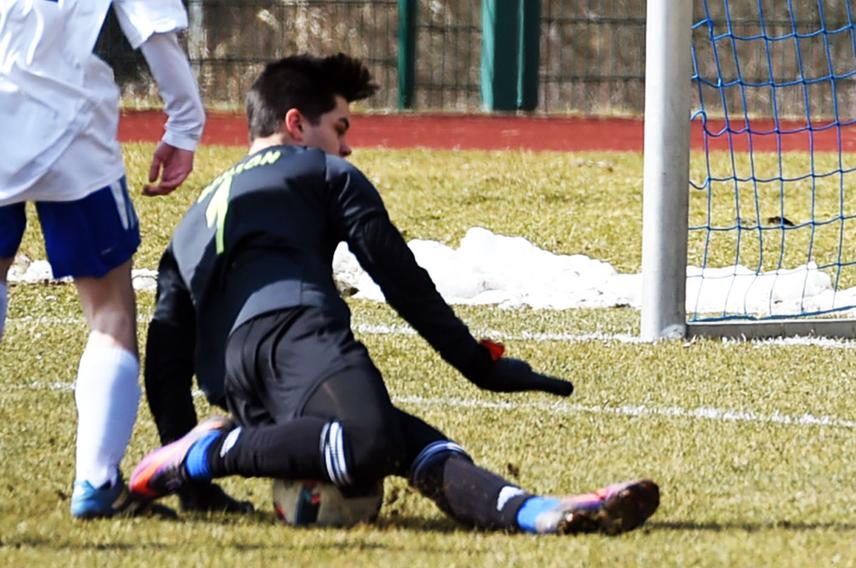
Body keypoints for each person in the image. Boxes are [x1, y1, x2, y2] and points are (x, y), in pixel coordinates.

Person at [129, 52, 660, 535]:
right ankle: (210, 451)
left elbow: (165, 358)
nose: (346, 144)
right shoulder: (324, 170)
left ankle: (537, 513)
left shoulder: (192, 219)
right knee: (368, 439)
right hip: (297, 332)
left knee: (418, 442)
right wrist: (480, 366)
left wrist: (194, 495)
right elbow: (401, 279)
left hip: (235, 382)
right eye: (339, 127)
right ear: (295, 124)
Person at [0, 0, 241, 519]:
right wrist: (183, 123)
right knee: (111, 312)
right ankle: (97, 482)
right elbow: (154, 29)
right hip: (71, 125)